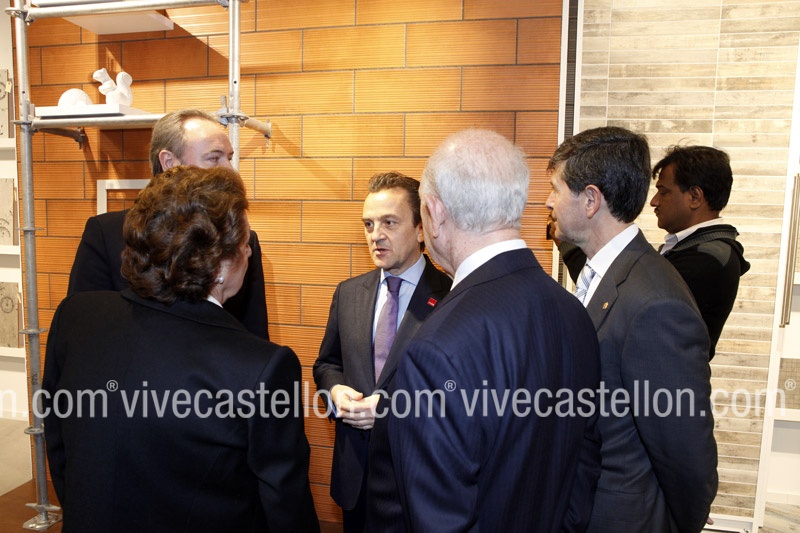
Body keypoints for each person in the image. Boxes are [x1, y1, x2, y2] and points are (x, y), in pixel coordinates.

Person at [43, 166, 319, 533]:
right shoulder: (261, 368)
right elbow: (285, 507)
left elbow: (58, 442)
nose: (249, 252)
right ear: (219, 265)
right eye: (244, 243)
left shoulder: (76, 316)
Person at [377, 129, 602, 532]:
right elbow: (583, 464)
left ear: (434, 212)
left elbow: (438, 521)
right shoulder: (572, 312)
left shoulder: (435, 350)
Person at [546, 126, 718, 532]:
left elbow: (685, 454)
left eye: (555, 189)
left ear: (591, 200)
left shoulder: (656, 303)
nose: (548, 201)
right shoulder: (607, 275)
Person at [312, 171, 451, 533]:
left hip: (416, 481)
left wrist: (392, 411)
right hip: (355, 477)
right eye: (369, 224)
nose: (375, 235)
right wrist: (334, 392)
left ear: (421, 229)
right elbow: (327, 363)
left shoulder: (452, 297)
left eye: (389, 222)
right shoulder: (348, 293)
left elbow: (457, 392)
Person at [67, 108, 269, 339]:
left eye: (229, 158)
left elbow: (254, 336)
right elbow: (83, 327)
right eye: (214, 158)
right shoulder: (106, 234)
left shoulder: (242, 241)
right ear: (169, 162)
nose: (229, 170)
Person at [650, 145, 750, 359]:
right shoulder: (694, 248)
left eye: (663, 192)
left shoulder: (708, 258)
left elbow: (633, 302)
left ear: (695, 197)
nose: (654, 201)